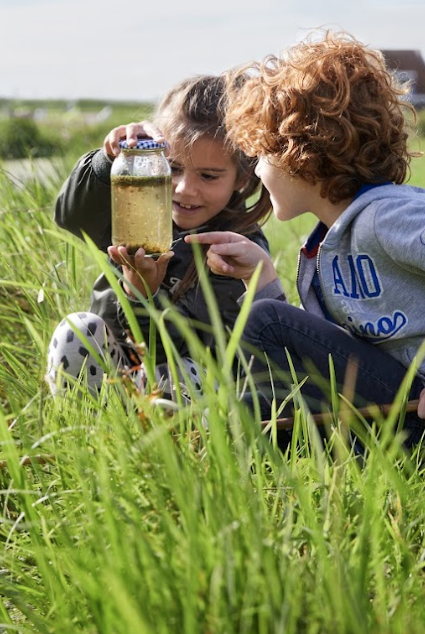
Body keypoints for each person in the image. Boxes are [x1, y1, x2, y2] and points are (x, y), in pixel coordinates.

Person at [186, 32, 425, 457]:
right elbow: (323, 354)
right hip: (402, 410)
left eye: (262, 155)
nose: (258, 169)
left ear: (299, 155)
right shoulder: (330, 242)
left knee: (267, 322)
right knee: (288, 400)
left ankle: (217, 439)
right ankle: (237, 437)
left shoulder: (386, 218)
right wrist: (262, 275)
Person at [46, 74, 272, 396]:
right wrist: (107, 161)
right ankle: (98, 429)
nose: (184, 189)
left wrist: (143, 297)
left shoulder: (235, 247)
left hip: (189, 383)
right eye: (173, 167)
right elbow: (71, 217)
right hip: (116, 367)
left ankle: (165, 440)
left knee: (186, 371)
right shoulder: (137, 204)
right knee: (77, 331)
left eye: (208, 176)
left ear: (242, 178)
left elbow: (190, 348)